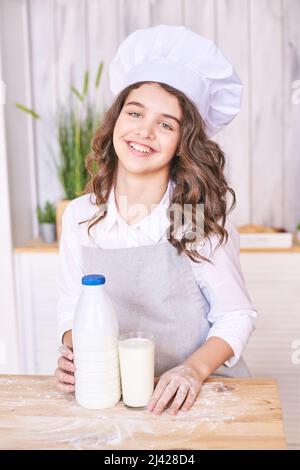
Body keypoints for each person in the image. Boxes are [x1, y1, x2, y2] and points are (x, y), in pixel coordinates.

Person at [55, 25, 257, 416]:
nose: (144, 131)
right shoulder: (80, 217)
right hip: (116, 396)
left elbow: (236, 315)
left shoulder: (198, 217)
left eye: (166, 123)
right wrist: (75, 354)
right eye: (135, 113)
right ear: (116, 120)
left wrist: (192, 371)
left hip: (199, 395)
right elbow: (70, 307)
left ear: (184, 143)